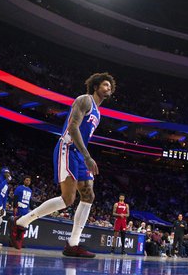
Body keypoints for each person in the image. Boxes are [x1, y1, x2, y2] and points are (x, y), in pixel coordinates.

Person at [9, 72, 116, 258]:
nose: (109, 88)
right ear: (96, 86)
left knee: (89, 195)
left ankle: (73, 244)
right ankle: (21, 223)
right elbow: (73, 127)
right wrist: (88, 156)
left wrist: (85, 156)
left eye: (110, 86)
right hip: (67, 147)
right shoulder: (85, 100)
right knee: (68, 199)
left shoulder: (98, 112)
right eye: (105, 84)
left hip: (80, 154)